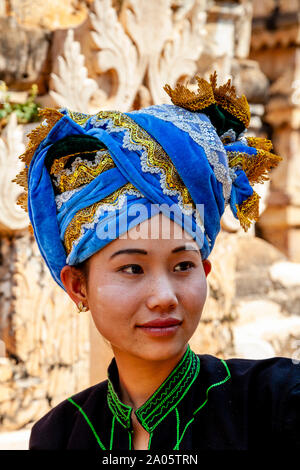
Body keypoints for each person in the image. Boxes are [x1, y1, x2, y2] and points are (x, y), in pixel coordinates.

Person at [14, 71, 299, 450]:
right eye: (132, 268)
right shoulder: (58, 435)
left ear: (205, 271)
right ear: (78, 286)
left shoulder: (276, 402)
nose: (164, 296)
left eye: (183, 266)